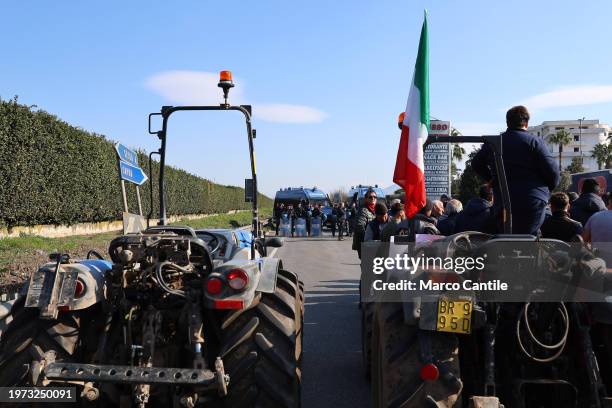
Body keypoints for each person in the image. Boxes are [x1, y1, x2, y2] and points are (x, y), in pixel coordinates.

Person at [471, 105, 559, 235]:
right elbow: (553, 172)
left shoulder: (494, 143)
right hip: (532, 200)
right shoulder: (535, 142)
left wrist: (493, 179)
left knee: (507, 238)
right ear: (527, 123)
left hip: (504, 202)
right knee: (528, 239)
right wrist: (545, 189)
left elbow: (476, 163)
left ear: (507, 122)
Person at [582, 192, 612, 265]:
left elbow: (583, 241)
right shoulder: (595, 216)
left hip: (597, 267)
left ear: (610, 201)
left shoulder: (595, 216)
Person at [352, 189, 377, 258]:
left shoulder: (377, 210)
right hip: (364, 243)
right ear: (366, 199)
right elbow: (359, 227)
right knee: (368, 265)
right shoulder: (363, 210)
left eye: (375, 197)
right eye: (370, 197)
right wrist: (368, 239)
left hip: (374, 243)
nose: (373, 198)